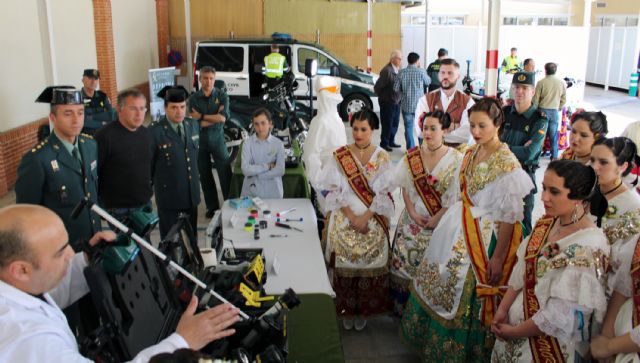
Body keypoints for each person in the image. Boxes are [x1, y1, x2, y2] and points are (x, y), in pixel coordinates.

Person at [0, 204, 239, 362]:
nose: (70, 253)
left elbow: (45, 289)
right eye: (60, 252)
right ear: (20, 269)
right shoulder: (29, 342)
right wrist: (181, 341)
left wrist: (86, 260)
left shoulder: (14, 282)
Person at [401, 98, 533, 362]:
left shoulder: (508, 164)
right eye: (472, 125)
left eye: (482, 126)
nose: (475, 131)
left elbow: (509, 217)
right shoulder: (471, 152)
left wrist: (497, 257)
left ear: (498, 124)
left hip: (485, 237)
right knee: (442, 278)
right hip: (459, 225)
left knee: (468, 290)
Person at [491, 160, 609, 362]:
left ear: (578, 199)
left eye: (554, 192)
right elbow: (522, 270)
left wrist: (515, 332)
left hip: (546, 345)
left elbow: (560, 314)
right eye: (544, 188)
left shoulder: (590, 245)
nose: (544, 197)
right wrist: (502, 309)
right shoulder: (549, 222)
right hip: (514, 324)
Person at [319, 108, 395, 331]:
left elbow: (384, 194)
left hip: (371, 217)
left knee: (369, 264)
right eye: (355, 129)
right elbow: (333, 190)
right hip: (345, 216)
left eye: (363, 129)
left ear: (372, 130)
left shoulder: (382, 156)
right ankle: (345, 309)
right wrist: (352, 217)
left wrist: (365, 218)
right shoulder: (340, 155)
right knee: (342, 263)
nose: (358, 134)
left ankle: (363, 309)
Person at [389, 110, 463, 316]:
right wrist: (412, 212)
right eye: (425, 128)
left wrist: (437, 218)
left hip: (440, 224)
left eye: (433, 128)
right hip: (411, 222)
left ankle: (422, 314)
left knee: (431, 269)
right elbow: (404, 187)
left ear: (445, 130)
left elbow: (455, 195)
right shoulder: (412, 156)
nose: (427, 133)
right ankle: (401, 309)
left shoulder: (457, 159)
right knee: (403, 264)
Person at [16, 86, 100, 252]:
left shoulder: (90, 145)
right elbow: (27, 216)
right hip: (62, 250)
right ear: (52, 117)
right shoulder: (37, 159)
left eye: (80, 112)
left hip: (94, 241)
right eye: (68, 114)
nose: (76, 120)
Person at [589, 137, 640, 362]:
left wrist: (607, 336)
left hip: (607, 303)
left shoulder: (633, 210)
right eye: (592, 160)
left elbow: (625, 278)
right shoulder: (586, 192)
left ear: (623, 167)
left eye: (603, 162)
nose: (595, 167)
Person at [500, 71, 548, 233]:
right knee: (499, 222)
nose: (520, 91)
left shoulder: (539, 119)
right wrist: (517, 148)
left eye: (525, 88)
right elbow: (490, 144)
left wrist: (502, 148)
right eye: (517, 87)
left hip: (524, 177)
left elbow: (529, 153)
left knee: (522, 225)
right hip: (501, 174)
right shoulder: (504, 113)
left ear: (533, 92)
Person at [95, 89, 153, 222]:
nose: (139, 114)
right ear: (119, 110)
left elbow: (151, 166)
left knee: (144, 242)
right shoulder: (104, 137)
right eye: (133, 108)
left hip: (144, 204)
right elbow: (94, 174)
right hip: (118, 209)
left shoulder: (146, 134)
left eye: (142, 108)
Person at [151, 86, 201, 239]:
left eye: (182, 107)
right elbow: (149, 167)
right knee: (170, 242)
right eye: (174, 107)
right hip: (169, 199)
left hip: (191, 195)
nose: (179, 111)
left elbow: (193, 158)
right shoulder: (155, 132)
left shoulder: (192, 125)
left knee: (192, 239)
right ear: (165, 108)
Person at [188, 66, 231, 218]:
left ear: (215, 79)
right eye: (205, 78)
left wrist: (200, 116)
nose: (208, 81)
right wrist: (212, 117)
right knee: (205, 176)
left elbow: (222, 118)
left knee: (225, 173)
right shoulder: (193, 99)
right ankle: (212, 207)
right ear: (200, 79)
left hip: (218, 140)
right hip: (199, 142)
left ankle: (229, 203)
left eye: (211, 78)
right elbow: (193, 123)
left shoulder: (222, 96)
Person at [413, 58, 475, 147]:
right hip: (430, 154)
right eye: (442, 73)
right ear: (438, 75)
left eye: (450, 73)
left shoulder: (467, 101)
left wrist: (433, 132)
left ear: (458, 76)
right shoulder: (426, 99)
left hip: (456, 156)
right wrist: (455, 126)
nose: (445, 76)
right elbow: (419, 131)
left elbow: (467, 134)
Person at [240, 108, 285, 198]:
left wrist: (257, 175)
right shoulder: (247, 144)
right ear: (253, 125)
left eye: (263, 123)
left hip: (273, 193)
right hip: (251, 193)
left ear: (270, 124)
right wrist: (268, 166)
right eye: (256, 124)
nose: (260, 128)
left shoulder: (278, 144)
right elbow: (245, 169)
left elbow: (280, 170)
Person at [393, 52, 430, 149]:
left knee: (408, 129)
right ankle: (423, 149)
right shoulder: (421, 72)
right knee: (421, 128)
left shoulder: (401, 72)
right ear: (417, 61)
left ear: (408, 61)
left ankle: (411, 150)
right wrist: (422, 69)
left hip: (406, 105)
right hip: (419, 107)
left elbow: (395, 88)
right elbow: (428, 82)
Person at [533, 62, 567, 160]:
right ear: (555, 71)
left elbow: (535, 100)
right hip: (554, 112)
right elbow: (564, 99)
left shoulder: (541, 82)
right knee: (553, 135)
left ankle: (536, 156)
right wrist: (559, 107)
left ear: (545, 70)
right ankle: (554, 156)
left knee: (540, 135)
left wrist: (535, 111)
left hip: (542, 112)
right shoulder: (561, 83)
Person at [374, 50, 402, 151]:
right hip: (387, 102)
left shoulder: (398, 70)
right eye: (399, 58)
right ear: (392, 59)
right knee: (387, 123)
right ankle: (384, 143)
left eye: (401, 58)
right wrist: (383, 97)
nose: (400, 60)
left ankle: (391, 141)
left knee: (395, 122)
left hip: (397, 101)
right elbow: (377, 87)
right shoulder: (387, 70)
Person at [80, 69, 115, 135]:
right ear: (83, 80)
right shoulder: (78, 98)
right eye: (90, 78)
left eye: (96, 79)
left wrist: (92, 117)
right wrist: (101, 123)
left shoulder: (102, 96)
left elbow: (110, 115)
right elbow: (82, 121)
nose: (93, 82)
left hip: (105, 131)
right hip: (87, 134)